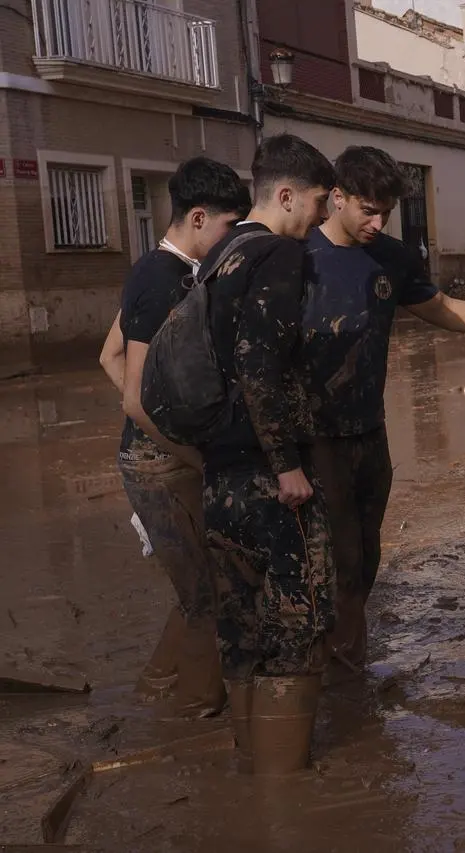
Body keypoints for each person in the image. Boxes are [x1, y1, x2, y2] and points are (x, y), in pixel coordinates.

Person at [304, 146, 465, 669]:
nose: (377, 222)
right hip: (312, 434)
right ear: (337, 198)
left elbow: (439, 309)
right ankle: (331, 663)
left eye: (386, 213)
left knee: (367, 552)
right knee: (335, 555)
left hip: (370, 429)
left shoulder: (392, 257)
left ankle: (346, 655)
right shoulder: (296, 255)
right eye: (367, 210)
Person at [198, 134, 335, 775]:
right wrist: (286, 465)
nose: (319, 219)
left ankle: (250, 776)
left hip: (218, 473)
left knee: (241, 624)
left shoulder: (219, 254)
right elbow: (261, 363)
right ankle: (286, 798)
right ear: (285, 196)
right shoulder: (279, 254)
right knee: (298, 620)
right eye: (316, 203)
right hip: (266, 474)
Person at [99, 157, 251, 717]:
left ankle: (160, 683)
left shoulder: (155, 270)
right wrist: (197, 456)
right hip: (161, 466)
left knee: (199, 582)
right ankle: (193, 711)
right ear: (197, 216)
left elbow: (108, 355)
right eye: (228, 228)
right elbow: (135, 399)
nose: (232, 240)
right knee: (207, 594)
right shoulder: (165, 281)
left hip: (159, 455)